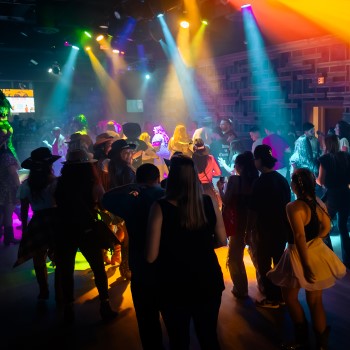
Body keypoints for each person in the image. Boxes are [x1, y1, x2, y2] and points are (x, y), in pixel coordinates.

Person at [146, 155, 227, 350]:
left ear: (171, 177)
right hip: (207, 278)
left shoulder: (160, 207)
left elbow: (151, 256)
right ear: (194, 177)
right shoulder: (209, 202)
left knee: (179, 340)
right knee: (208, 336)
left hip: (173, 283)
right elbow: (223, 240)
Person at [267, 168, 346, 350]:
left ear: (294, 185)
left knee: (290, 296)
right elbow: (327, 227)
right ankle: (321, 345)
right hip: (317, 250)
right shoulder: (318, 203)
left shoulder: (293, 207)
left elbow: (299, 237)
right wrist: (316, 239)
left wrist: (306, 264)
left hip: (297, 254)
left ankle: (302, 340)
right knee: (316, 301)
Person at [103, 163, 166, 350]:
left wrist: (131, 186)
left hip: (141, 266)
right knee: (173, 316)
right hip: (167, 264)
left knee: (147, 320)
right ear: (158, 178)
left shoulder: (132, 202)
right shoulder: (166, 196)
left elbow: (106, 198)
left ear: (137, 180)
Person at [54, 149, 118, 323]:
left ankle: (68, 308)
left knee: (66, 270)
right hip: (87, 230)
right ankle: (105, 305)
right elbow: (103, 204)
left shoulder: (59, 183)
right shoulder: (93, 183)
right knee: (98, 268)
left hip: (64, 229)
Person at [247, 144, 291, 308]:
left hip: (264, 229)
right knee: (279, 262)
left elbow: (253, 210)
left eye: (255, 159)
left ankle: (272, 298)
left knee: (264, 264)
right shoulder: (282, 180)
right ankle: (282, 295)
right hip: (281, 228)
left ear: (259, 161)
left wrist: (248, 231)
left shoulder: (259, 182)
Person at [15, 147, 61, 300]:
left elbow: (23, 209)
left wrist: (25, 229)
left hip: (38, 221)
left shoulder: (26, 185)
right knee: (60, 258)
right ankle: (60, 292)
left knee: (38, 258)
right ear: (49, 165)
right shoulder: (56, 182)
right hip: (56, 220)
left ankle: (43, 291)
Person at [217, 151, 259, 299]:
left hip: (238, 222)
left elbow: (227, 201)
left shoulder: (235, 180)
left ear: (240, 166)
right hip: (254, 221)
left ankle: (240, 288)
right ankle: (264, 285)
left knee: (235, 257)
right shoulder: (256, 180)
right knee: (257, 255)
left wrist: (220, 189)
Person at [317, 134, 350, 267]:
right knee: (343, 227)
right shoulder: (346, 156)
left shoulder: (325, 159)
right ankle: (348, 260)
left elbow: (321, 180)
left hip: (332, 196)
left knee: (323, 225)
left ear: (327, 144)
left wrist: (315, 179)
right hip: (346, 194)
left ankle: (329, 256)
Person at [0, 92, 20, 245]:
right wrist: (19, 187)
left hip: (4, 181)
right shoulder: (5, 155)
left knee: (6, 210)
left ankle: (7, 237)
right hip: (6, 185)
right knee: (7, 209)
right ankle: (8, 238)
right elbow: (12, 172)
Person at [192, 138, 221, 208]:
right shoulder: (210, 158)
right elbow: (218, 172)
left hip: (196, 188)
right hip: (208, 187)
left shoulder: (192, 160)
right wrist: (211, 173)